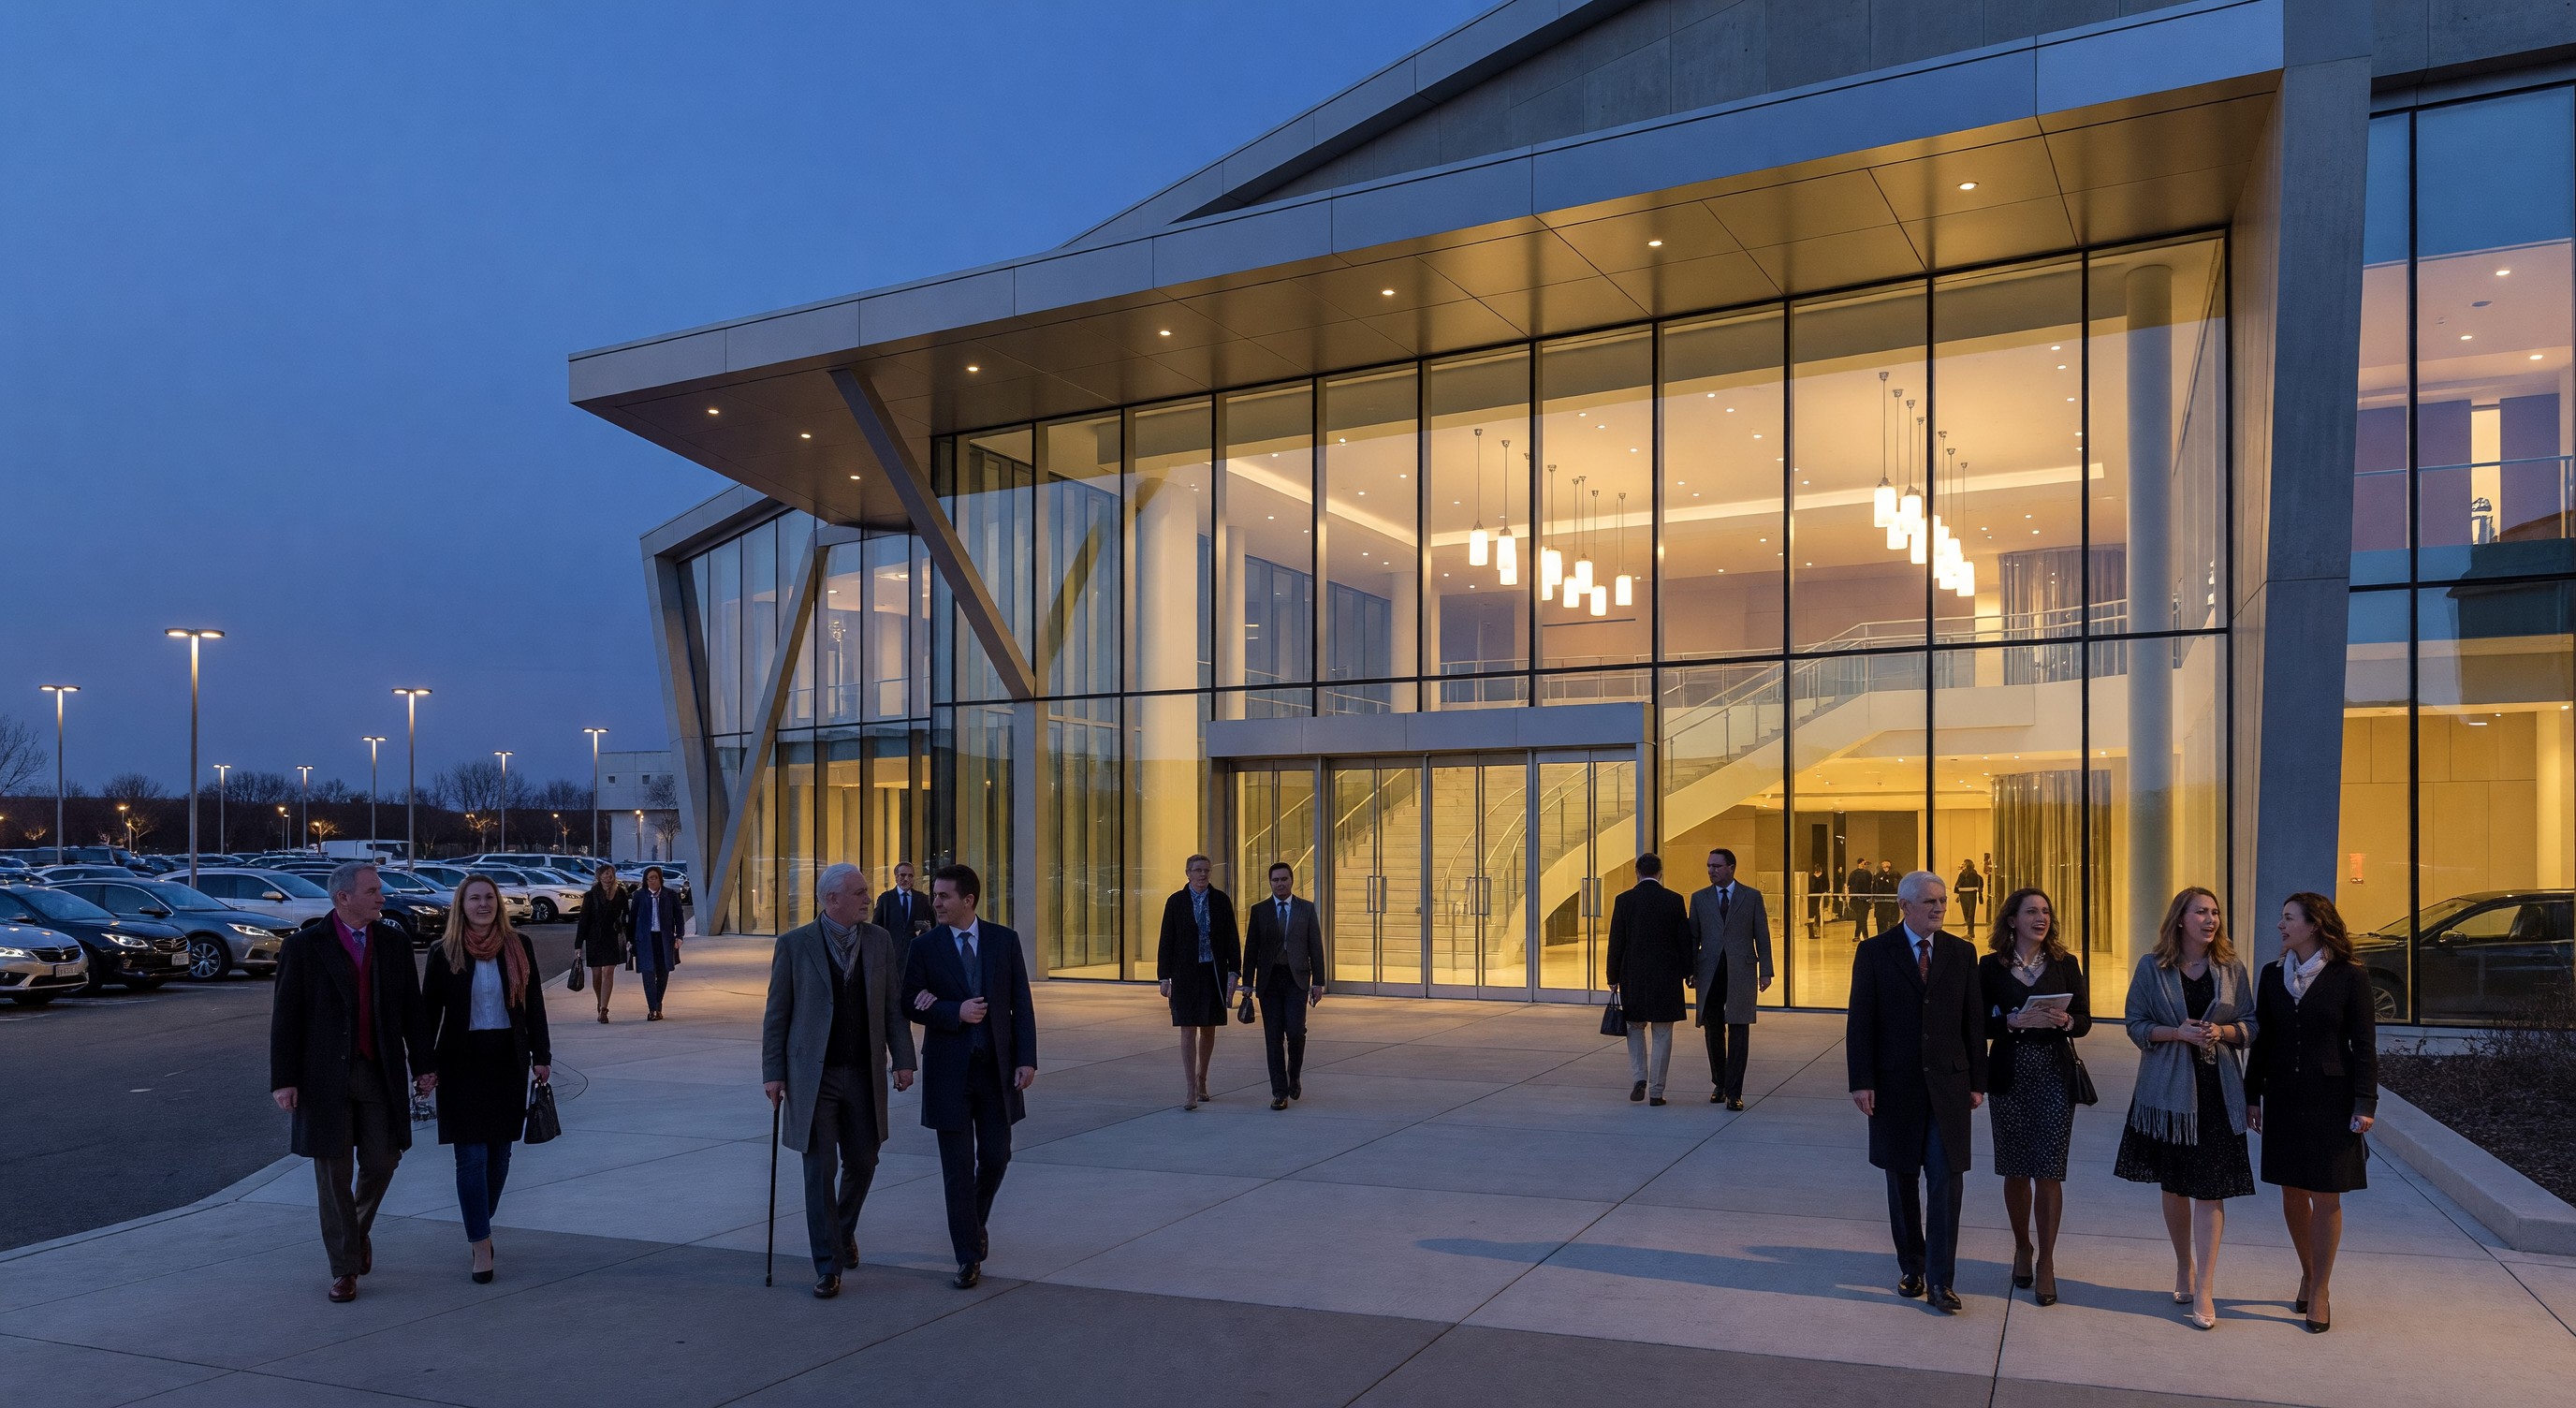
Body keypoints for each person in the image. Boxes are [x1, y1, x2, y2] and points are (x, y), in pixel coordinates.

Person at [269, 861, 432, 1303]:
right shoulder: (305, 947)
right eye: (373, 891)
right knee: (333, 1174)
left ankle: (356, 1231)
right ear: (344, 898)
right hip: (321, 1077)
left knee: (383, 1160)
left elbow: (412, 1012)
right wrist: (284, 1080)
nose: (382, 897)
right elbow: (286, 1019)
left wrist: (423, 1065)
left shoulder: (394, 944)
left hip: (378, 1071)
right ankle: (344, 1268)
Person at [763, 863, 917, 1298]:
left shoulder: (879, 941)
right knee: (819, 1169)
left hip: (863, 1073)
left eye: (867, 892)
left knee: (864, 1160)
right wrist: (772, 1073)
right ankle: (828, 1265)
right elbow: (777, 1015)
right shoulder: (795, 946)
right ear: (832, 900)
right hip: (815, 1077)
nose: (869, 898)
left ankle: (842, 1229)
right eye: (860, 892)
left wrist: (903, 1059)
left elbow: (892, 1007)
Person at [2115, 887, 2258, 1330]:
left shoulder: (2231, 967)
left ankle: (2206, 1287)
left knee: (2210, 1188)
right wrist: (2177, 1033)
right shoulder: (2152, 967)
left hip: (2218, 1090)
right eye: (2201, 912)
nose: (2210, 919)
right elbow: (2135, 1025)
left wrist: (2223, 1030)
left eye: (2215, 912)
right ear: (2181, 919)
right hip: (2168, 1096)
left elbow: (2251, 1025)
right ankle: (2183, 1265)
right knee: (2175, 1186)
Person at [1847, 871, 1986, 1314]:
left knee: (1947, 1183)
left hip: (1948, 1086)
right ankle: (1913, 1266)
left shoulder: (1962, 953)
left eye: (1943, 900)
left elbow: (1974, 1022)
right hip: (1894, 1088)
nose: (1940, 908)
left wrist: (1977, 1081)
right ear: (1904, 906)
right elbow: (1861, 1022)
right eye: (1930, 902)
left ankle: (1943, 1282)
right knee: (1902, 1179)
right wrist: (1861, 1081)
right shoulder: (1874, 952)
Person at [2246, 891, 2378, 1334]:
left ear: (2314, 924)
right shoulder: (2270, 975)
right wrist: (2252, 1094)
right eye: (2281, 918)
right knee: (2290, 1191)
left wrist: (2366, 1102)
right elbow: (2262, 1041)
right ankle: (2308, 1269)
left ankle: (2320, 1288)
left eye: (2288, 919)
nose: (2280, 926)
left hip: (2332, 1098)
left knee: (2326, 1195)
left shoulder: (2349, 975)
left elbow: (2364, 1044)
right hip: (2283, 1095)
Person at [902, 863, 1035, 1289]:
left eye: (943, 896)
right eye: (935, 895)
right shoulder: (924, 948)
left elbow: (1021, 1003)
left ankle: (973, 1222)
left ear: (968, 900)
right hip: (948, 1073)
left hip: (996, 1071)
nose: (935, 902)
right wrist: (949, 1010)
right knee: (957, 1168)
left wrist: (1027, 1058)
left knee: (997, 1155)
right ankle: (967, 1255)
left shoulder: (1003, 941)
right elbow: (908, 1001)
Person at [421, 874, 549, 1284]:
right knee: (470, 1159)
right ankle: (480, 1244)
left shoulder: (519, 946)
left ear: (498, 903)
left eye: (489, 898)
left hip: (507, 1061)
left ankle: (480, 1220)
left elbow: (534, 1006)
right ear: (462, 905)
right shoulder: (445, 951)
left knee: (499, 1159)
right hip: (461, 1064)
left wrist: (542, 1056)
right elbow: (429, 1014)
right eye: (474, 899)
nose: (482, 905)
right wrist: (422, 1066)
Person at [1978, 887, 2089, 1308]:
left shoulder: (2065, 963)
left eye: (2045, 911)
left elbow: (2084, 1020)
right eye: (2031, 912)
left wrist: (2065, 1020)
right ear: (2012, 920)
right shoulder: (1989, 967)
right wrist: (2008, 1020)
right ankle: (2022, 1245)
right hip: (2008, 1074)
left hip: (2054, 1075)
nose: (2041, 918)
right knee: (2015, 1169)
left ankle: (2046, 1260)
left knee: (2049, 1169)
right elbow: (1976, 1023)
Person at [1689, 847, 1772, 1108]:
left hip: (1741, 970)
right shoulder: (1699, 898)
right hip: (1709, 971)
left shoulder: (1751, 897)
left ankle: (1735, 1091)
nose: (1711, 870)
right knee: (1713, 1027)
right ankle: (1720, 1084)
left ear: (1731, 867)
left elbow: (1762, 934)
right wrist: (1690, 970)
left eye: (1717, 866)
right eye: (1709, 866)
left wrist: (1766, 970)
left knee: (1739, 1027)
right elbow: (1693, 937)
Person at [1606, 855, 1692, 1106]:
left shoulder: (1624, 901)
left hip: (1633, 975)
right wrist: (1689, 971)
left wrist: (1613, 976)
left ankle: (1639, 1077)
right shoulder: (1674, 900)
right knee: (1663, 1032)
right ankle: (1656, 1090)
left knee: (1634, 1027)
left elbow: (1616, 942)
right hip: (1666, 976)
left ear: (1637, 872)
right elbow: (1683, 940)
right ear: (1660, 873)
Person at [1155, 854, 1239, 1109]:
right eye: (1197, 870)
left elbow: (1232, 939)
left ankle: (1203, 1078)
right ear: (1188, 873)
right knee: (1187, 1028)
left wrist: (1234, 972)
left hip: (1212, 972)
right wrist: (1164, 977)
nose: (1203, 875)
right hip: (1185, 974)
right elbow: (1166, 940)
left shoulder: (1221, 901)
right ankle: (1190, 1088)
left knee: (1209, 1027)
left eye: (1206, 870)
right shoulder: (1176, 902)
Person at [1241, 861, 1325, 1110]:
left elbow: (1315, 947)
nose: (1280, 883)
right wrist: (1247, 983)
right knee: (1273, 1037)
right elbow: (1251, 949)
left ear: (1292, 881)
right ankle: (1279, 1092)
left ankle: (1294, 1074)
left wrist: (1318, 982)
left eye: (1284, 879)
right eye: (1275, 880)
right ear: (1270, 883)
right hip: (1269, 981)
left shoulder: (1306, 909)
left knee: (1296, 1032)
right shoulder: (1260, 911)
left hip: (1296, 979)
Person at [574, 863, 630, 1023]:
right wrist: (578, 945)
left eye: (611, 874)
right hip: (594, 939)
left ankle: (604, 1010)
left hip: (612, 937)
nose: (608, 876)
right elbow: (583, 921)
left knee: (608, 972)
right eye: (605, 874)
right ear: (599, 876)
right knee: (597, 974)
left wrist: (628, 936)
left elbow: (626, 915)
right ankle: (600, 1002)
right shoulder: (591, 895)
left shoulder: (620, 893)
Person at [628, 865, 683, 1020]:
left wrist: (679, 936)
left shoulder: (670, 895)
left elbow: (679, 917)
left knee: (663, 972)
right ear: (645, 881)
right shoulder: (639, 895)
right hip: (645, 940)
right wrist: (630, 940)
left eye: (655, 877)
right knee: (648, 974)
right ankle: (652, 1009)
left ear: (660, 879)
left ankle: (658, 1005)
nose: (652, 881)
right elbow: (633, 919)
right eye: (649, 878)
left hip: (664, 939)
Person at [872, 860, 930, 939]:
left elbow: (930, 924)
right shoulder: (885, 899)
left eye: (910, 876)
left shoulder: (922, 899)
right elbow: (876, 926)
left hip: (916, 948)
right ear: (896, 877)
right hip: (892, 948)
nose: (906, 879)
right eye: (902, 875)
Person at [1846, 857, 1874, 941]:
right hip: (1859, 899)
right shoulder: (1859, 874)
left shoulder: (1856, 873)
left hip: (1861, 899)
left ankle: (1858, 935)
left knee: (1861, 918)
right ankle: (1864, 935)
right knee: (1862, 918)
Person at [1872, 859, 1902, 933]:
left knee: (1885, 923)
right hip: (1885, 901)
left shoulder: (1894, 874)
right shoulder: (1879, 875)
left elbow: (1874, 887)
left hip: (1887, 901)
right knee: (1886, 923)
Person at [1954, 859, 1984, 931]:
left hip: (1966, 895)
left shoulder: (1966, 875)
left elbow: (1958, 885)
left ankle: (1970, 930)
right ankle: (1970, 930)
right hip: (1969, 895)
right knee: (1969, 913)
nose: (1962, 866)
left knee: (1968, 913)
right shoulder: (1972, 875)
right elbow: (1980, 884)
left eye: (1964, 865)